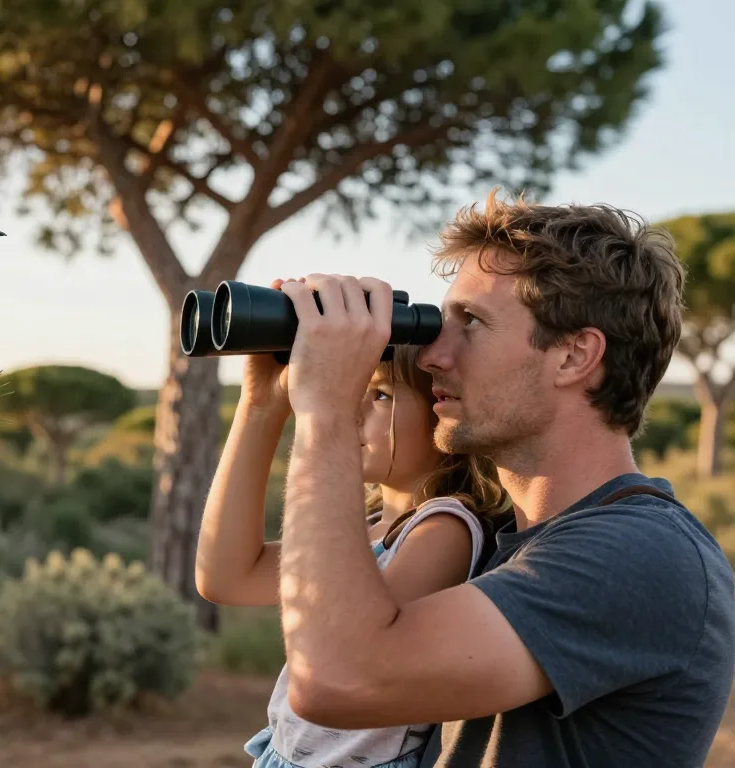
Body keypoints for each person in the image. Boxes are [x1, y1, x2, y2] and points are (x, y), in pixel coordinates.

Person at [270, 191, 735, 768]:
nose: (431, 355)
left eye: (472, 323)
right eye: (441, 322)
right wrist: (265, 401)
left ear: (573, 356)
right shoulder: (502, 540)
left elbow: (337, 680)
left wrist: (327, 411)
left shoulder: (641, 555)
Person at [195, 277, 512, 768]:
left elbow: (353, 666)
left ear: (442, 406)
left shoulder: (445, 527)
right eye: (352, 389)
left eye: (381, 394)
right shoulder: (366, 528)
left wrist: (325, 406)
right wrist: (261, 403)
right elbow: (225, 577)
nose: (353, 405)